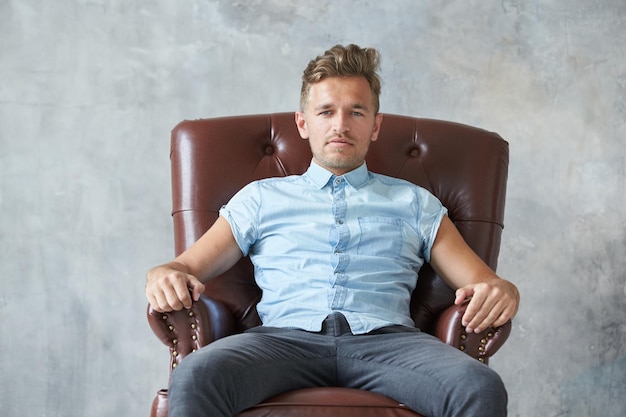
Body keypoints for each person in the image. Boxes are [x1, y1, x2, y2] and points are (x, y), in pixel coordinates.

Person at [146, 44, 520, 417]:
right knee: (196, 376)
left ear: (375, 126)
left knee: (479, 386)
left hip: (389, 346)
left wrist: (503, 291)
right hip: (280, 344)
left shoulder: (414, 202)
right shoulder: (260, 198)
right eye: (326, 111)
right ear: (303, 123)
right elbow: (184, 267)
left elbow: (484, 281)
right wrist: (163, 274)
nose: (340, 125)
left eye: (356, 112)